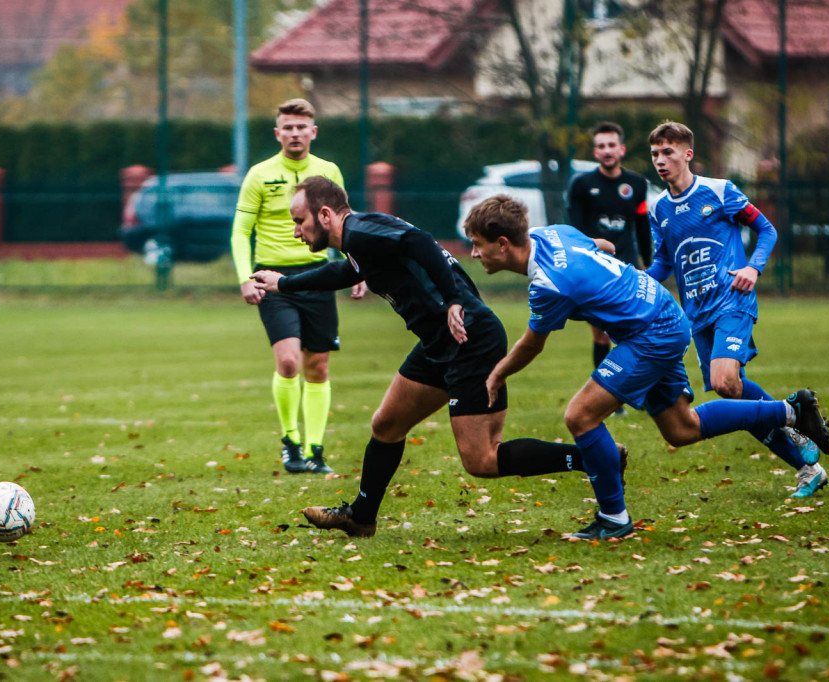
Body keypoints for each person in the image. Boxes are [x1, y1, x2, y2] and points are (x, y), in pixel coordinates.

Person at [253, 176, 610, 539]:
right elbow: (346, 271)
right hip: (438, 342)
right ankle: (361, 517)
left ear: (325, 214)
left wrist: (453, 299)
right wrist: (285, 284)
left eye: (300, 221)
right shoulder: (362, 238)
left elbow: (419, 241)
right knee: (386, 425)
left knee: (482, 459)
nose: (297, 231)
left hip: (470, 338)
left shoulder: (361, 231)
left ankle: (591, 457)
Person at [465, 194, 829, 540]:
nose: (473, 252)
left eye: (478, 244)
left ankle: (614, 518)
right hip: (660, 311)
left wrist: (497, 373)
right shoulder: (551, 234)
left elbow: (532, 343)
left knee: (580, 415)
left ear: (502, 243)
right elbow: (603, 247)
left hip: (651, 331)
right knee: (681, 428)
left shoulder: (548, 284)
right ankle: (790, 410)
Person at [644, 121, 828, 498]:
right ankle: (806, 461)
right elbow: (663, 263)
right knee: (734, 395)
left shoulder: (719, 191)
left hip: (732, 300)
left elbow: (768, 230)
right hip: (695, 312)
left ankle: (793, 413)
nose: (660, 161)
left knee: (726, 381)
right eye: (655, 154)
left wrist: (752, 267)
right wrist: (634, 281)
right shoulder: (659, 208)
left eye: (668, 152)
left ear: (687, 154)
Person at [231, 99, 364, 475]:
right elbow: (241, 230)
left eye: (300, 127)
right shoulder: (259, 174)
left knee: (317, 366)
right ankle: (291, 442)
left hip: (318, 275)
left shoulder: (327, 172)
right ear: (277, 133)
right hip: (271, 279)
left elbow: (345, 223)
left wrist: (359, 268)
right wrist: (245, 276)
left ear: (313, 132)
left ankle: (315, 450)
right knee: (289, 360)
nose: (294, 133)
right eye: (287, 127)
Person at [567, 121, 653, 417]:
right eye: (601, 146)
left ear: (622, 149)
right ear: (595, 151)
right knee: (602, 336)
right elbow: (573, 231)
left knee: (636, 332)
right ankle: (609, 398)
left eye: (611, 145)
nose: (607, 150)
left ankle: (641, 391)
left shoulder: (637, 185)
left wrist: (649, 264)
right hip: (595, 272)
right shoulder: (581, 185)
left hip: (628, 269)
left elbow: (642, 226)